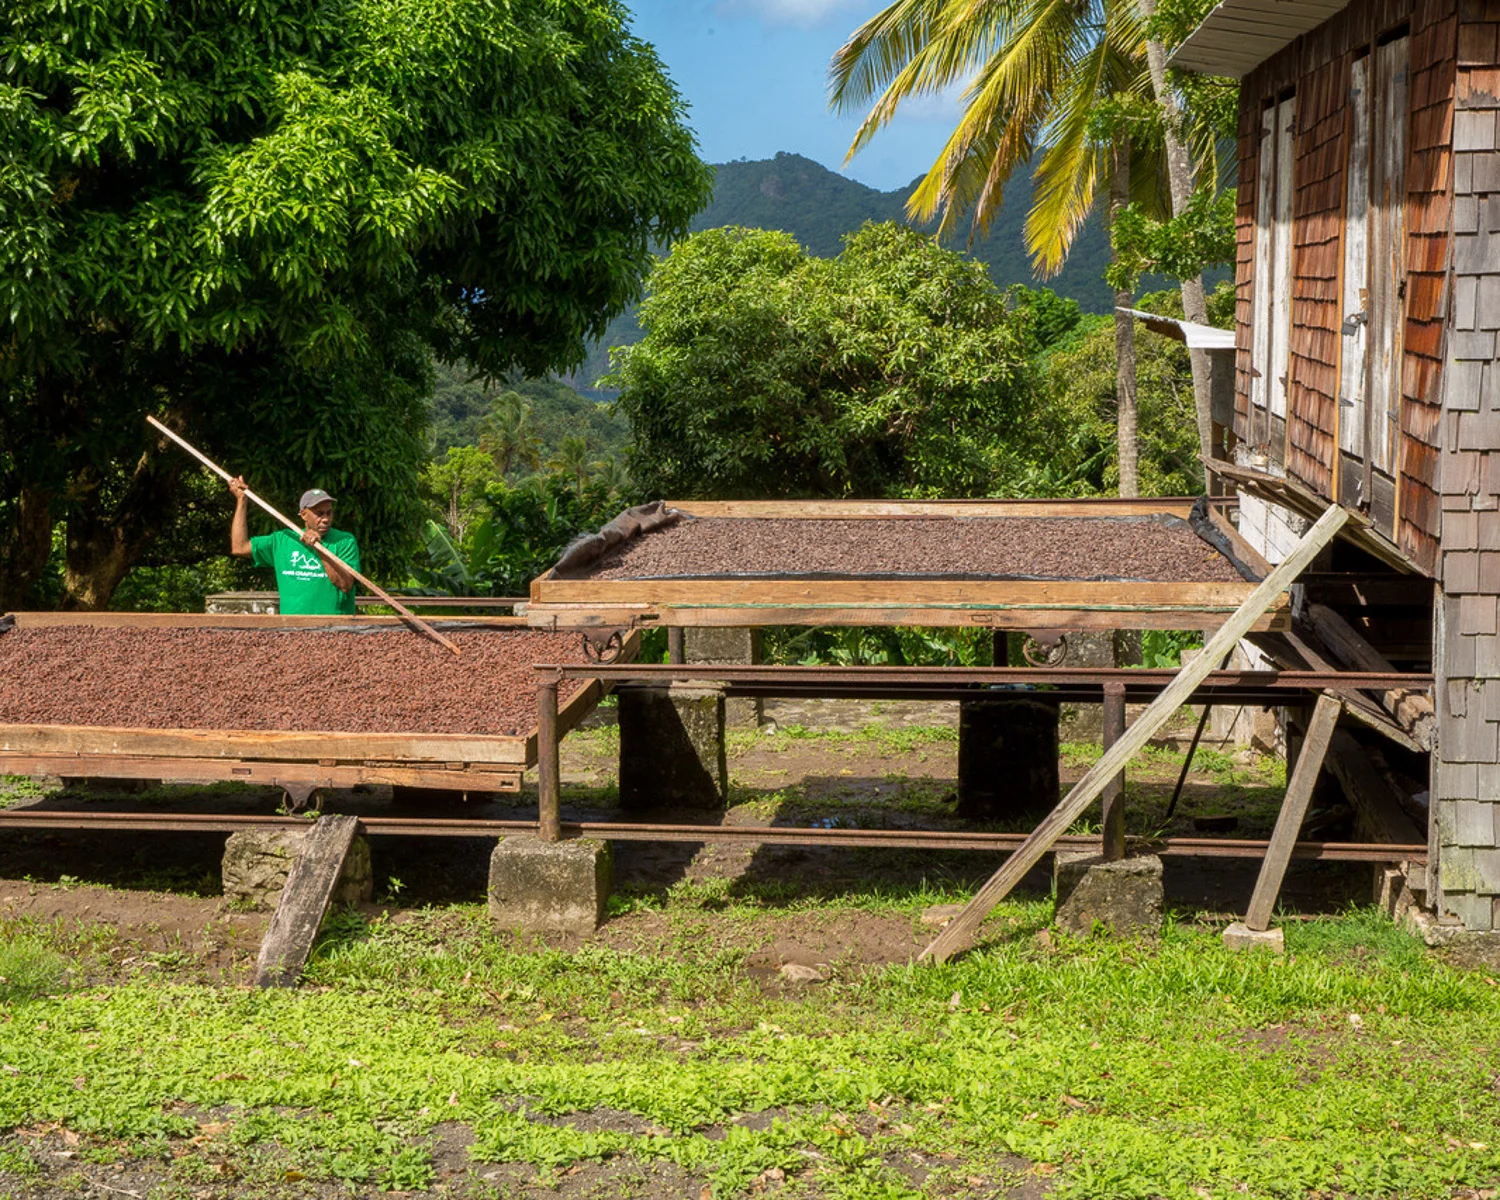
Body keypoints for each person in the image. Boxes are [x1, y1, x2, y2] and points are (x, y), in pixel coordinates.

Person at [229, 479, 361, 615]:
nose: (326, 519)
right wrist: (242, 501)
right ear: (304, 514)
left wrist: (319, 549)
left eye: (329, 513)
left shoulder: (344, 541)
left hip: (336, 629)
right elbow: (239, 547)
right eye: (319, 513)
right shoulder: (283, 540)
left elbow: (345, 584)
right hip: (292, 629)